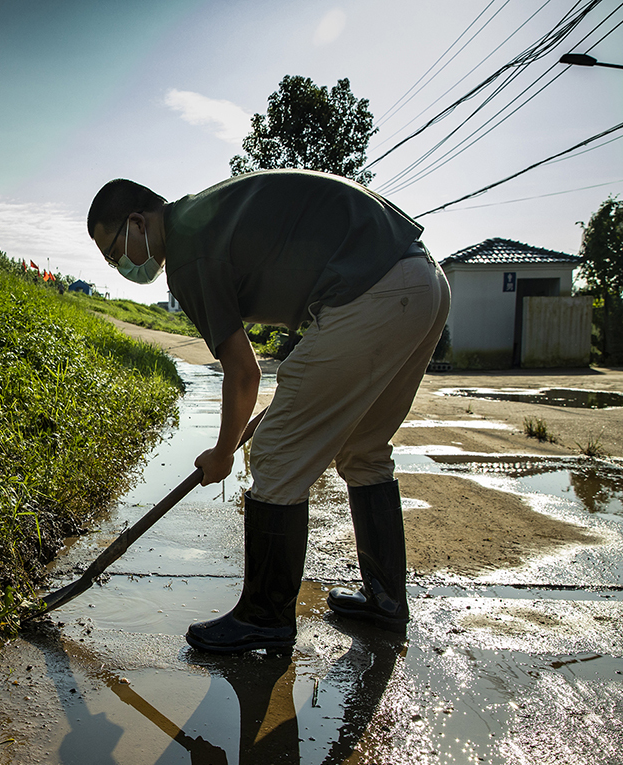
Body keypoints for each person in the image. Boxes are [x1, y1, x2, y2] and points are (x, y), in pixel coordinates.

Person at [87, 169, 450, 655]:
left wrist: (222, 453)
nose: (118, 265)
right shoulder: (204, 214)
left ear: (137, 222)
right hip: (422, 279)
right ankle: (385, 601)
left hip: (376, 292)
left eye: (113, 252)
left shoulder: (189, 250)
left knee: (276, 453)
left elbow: (244, 374)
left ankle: (265, 618)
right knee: (363, 450)